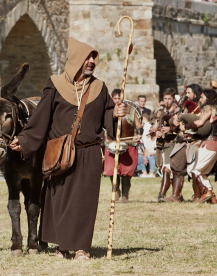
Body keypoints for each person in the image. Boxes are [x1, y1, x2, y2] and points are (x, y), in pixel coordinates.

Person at [10, 37, 126, 260]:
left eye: (93, 57)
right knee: (59, 200)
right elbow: (41, 117)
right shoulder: (54, 84)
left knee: (85, 201)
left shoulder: (100, 88)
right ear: (75, 60)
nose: (91, 61)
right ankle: (62, 246)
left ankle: (82, 247)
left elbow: (108, 120)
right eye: (87, 57)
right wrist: (25, 140)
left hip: (89, 153)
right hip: (59, 153)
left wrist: (117, 115)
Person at [174, 89, 217, 203]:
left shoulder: (210, 108)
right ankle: (212, 198)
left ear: (208, 98)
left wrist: (186, 126)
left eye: (202, 97)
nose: (200, 99)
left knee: (195, 171)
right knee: (202, 172)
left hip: (211, 142)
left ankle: (206, 192)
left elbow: (200, 122)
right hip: (212, 143)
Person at [104, 89, 143, 202]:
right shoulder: (108, 111)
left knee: (126, 172)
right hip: (112, 144)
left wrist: (139, 134)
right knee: (112, 170)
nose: (117, 101)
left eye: (119, 98)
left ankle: (125, 195)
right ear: (112, 99)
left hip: (128, 144)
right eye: (115, 98)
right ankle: (116, 190)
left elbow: (138, 125)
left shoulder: (130, 110)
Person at [153, 88, 177, 201]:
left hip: (175, 143)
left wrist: (171, 129)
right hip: (163, 143)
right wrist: (156, 132)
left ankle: (162, 194)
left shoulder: (177, 111)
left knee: (168, 169)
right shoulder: (162, 112)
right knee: (166, 168)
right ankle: (176, 194)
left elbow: (181, 126)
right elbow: (155, 127)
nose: (167, 101)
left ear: (173, 99)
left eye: (169, 99)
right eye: (165, 98)